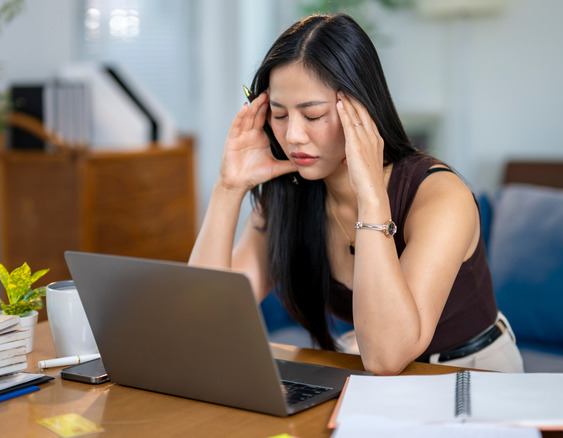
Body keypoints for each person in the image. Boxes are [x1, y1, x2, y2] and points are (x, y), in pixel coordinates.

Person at [188, 13, 523, 375]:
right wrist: (228, 188)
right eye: (279, 115)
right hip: (373, 369)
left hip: (469, 370)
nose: (294, 136)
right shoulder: (291, 192)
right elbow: (205, 320)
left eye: (313, 115)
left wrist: (371, 197)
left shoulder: (440, 196)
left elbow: (387, 356)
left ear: (362, 110)